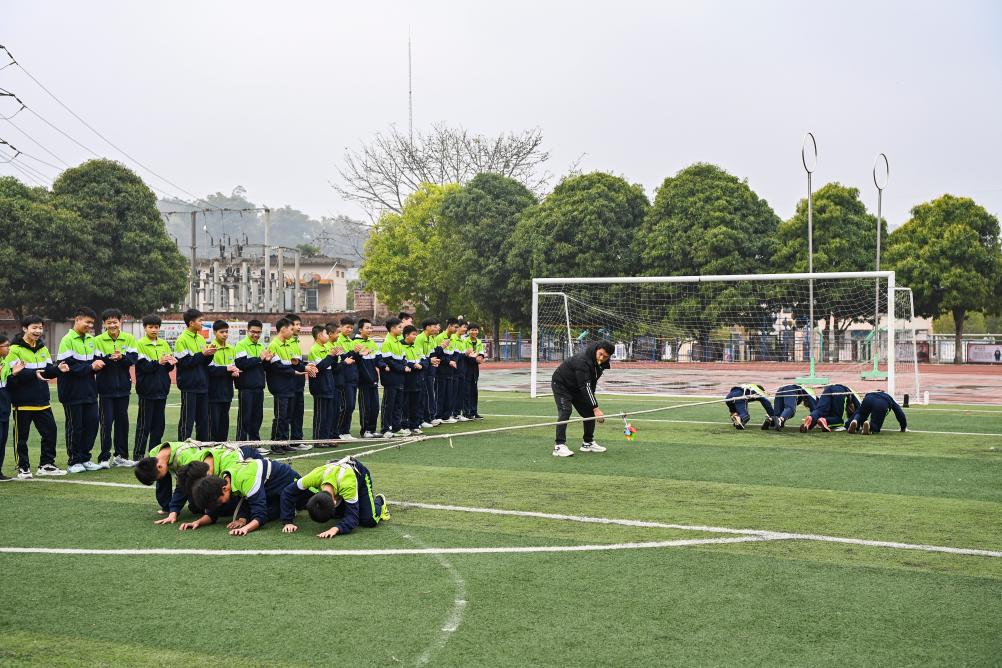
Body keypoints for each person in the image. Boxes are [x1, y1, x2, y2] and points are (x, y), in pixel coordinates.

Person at [134, 440, 261, 521]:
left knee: (218, 505)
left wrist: (243, 517)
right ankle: (169, 507)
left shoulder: (187, 459)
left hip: (247, 459)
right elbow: (182, 485)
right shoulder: (154, 455)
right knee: (199, 506)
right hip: (209, 468)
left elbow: (183, 487)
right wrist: (173, 511)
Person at [5, 315, 65, 478]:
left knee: (50, 432)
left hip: (42, 400)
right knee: (21, 437)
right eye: (34, 328)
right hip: (23, 402)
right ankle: (22, 467)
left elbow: (47, 370)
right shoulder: (14, 349)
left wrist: (59, 369)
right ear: (25, 329)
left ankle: (46, 464)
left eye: (40, 328)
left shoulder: (43, 348)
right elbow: (15, 373)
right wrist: (34, 374)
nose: (38, 331)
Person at [185, 458, 302, 535]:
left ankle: (293, 507)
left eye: (218, 502)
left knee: (264, 514)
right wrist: (198, 522)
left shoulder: (246, 480)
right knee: (242, 512)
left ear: (224, 489)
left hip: (288, 485)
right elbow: (213, 513)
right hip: (267, 487)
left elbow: (260, 515)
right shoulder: (223, 479)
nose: (217, 505)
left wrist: (244, 528)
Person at [279, 456, 388, 538]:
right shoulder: (314, 476)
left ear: (335, 502)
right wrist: (288, 521)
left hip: (358, 476)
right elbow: (288, 492)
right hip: (334, 472)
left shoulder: (348, 484)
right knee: (338, 515)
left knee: (369, 520)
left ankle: (380, 501)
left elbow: (352, 518)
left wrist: (336, 528)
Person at [57, 307, 103, 473]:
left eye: (92, 323)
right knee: (75, 427)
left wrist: (98, 365)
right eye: (87, 322)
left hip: (90, 391)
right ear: (77, 320)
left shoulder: (91, 340)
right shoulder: (67, 340)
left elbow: (96, 360)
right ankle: (73, 461)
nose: (90, 325)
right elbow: (68, 366)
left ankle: (85, 458)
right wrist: (91, 366)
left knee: (92, 424)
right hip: (72, 392)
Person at [550, 341, 613, 457]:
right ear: (596, 350)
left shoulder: (601, 363)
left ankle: (587, 443)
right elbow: (585, 386)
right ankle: (559, 446)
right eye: (600, 354)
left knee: (589, 411)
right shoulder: (583, 361)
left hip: (577, 386)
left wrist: (591, 405)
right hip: (561, 384)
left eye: (605, 357)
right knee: (565, 411)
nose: (602, 358)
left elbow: (591, 384)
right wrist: (596, 408)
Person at [93, 308, 138, 467]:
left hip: (123, 388)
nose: (113, 325)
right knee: (106, 423)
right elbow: (96, 360)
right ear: (104, 324)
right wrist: (110, 358)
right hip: (105, 388)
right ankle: (104, 458)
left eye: (115, 322)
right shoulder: (98, 340)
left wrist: (122, 357)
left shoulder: (129, 338)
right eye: (109, 322)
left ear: (121, 322)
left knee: (122, 422)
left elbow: (133, 359)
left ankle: (121, 456)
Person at [134, 315, 175, 459]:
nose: (154, 330)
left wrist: (171, 362)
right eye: (150, 327)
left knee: (159, 427)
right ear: (144, 328)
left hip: (162, 390)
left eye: (156, 327)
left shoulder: (164, 344)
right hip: (147, 390)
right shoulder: (139, 344)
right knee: (144, 426)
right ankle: (138, 456)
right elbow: (144, 367)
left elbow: (168, 368)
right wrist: (159, 361)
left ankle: (153, 454)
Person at [266, 317, 306, 453]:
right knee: (281, 416)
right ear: (283, 329)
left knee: (287, 416)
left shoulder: (289, 345)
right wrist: (295, 371)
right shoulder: (273, 345)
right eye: (291, 328)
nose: (293, 331)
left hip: (290, 386)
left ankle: (284, 441)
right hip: (279, 386)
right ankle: (276, 444)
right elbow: (277, 367)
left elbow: (291, 363)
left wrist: (301, 367)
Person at [174, 308, 214, 441]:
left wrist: (209, 354)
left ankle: (202, 448)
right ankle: (183, 449)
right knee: (187, 421)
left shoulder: (201, 339)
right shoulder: (181, 340)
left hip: (203, 384)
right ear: (191, 323)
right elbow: (184, 363)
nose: (203, 323)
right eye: (200, 320)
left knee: (203, 421)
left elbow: (203, 362)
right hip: (189, 385)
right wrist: (202, 354)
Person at [234, 319, 269, 441]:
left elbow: (262, 366)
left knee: (257, 417)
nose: (256, 335)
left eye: (258, 332)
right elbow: (241, 363)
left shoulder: (261, 346)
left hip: (259, 387)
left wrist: (267, 360)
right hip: (246, 388)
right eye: (253, 332)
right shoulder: (241, 345)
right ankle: (241, 444)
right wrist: (259, 358)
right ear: (247, 331)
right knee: (245, 417)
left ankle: (255, 443)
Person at [207, 320, 238, 441]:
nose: (225, 334)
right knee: (213, 423)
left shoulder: (231, 349)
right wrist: (227, 369)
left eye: (226, 332)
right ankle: (211, 447)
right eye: (222, 332)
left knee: (224, 422)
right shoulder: (211, 348)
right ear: (215, 332)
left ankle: (223, 445)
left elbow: (232, 366)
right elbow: (210, 370)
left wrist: (234, 371)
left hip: (227, 392)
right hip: (214, 392)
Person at [307, 324, 339, 444]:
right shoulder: (314, 349)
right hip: (320, 386)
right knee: (321, 415)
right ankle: (318, 439)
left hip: (329, 385)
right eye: (326, 334)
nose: (327, 336)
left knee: (328, 414)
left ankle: (327, 438)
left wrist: (335, 356)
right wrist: (330, 355)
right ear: (320, 335)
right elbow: (320, 367)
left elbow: (332, 366)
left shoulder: (326, 347)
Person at [379, 317, 406, 437]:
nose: (401, 330)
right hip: (390, 378)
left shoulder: (398, 341)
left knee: (398, 404)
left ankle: (396, 426)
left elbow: (403, 358)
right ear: (392, 328)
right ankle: (385, 428)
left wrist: (404, 366)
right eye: (400, 327)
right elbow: (388, 361)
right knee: (388, 404)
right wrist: (402, 368)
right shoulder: (387, 342)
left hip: (399, 377)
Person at [285, 313, 310, 442]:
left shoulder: (296, 341)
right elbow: (293, 363)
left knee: (298, 413)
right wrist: (304, 367)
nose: (299, 327)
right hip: (290, 384)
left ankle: (297, 439)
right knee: (288, 414)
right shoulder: (286, 343)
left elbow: (298, 362)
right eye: (296, 324)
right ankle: (285, 441)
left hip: (299, 383)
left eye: (300, 324)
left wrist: (305, 366)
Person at [354, 319, 380, 438]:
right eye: (367, 328)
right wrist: (368, 378)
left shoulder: (372, 343)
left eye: (371, 328)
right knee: (366, 407)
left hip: (373, 381)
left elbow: (377, 361)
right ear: (360, 329)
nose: (370, 330)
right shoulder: (356, 343)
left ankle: (372, 429)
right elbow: (359, 363)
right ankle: (365, 431)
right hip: (364, 382)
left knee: (375, 407)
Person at [334, 317, 359, 440]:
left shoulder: (351, 340)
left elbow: (354, 359)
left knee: (351, 406)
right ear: (341, 327)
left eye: (351, 327)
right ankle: (338, 431)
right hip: (343, 379)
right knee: (346, 406)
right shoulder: (338, 341)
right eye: (347, 327)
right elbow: (344, 358)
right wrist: (354, 352)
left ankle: (346, 431)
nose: (349, 329)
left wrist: (358, 353)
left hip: (352, 378)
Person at [414, 318, 441, 428]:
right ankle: (422, 419)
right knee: (422, 395)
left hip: (429, 370)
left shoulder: (431, 338)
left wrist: (435, 361)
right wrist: (430, 361)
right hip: (421, 370)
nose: (436, 328)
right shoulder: (419, 338)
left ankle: (428, 417)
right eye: (434, 326)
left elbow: (432, 354)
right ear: (428, 327)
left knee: (429, 393)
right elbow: (419, 355)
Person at [435, 318, 460, 423]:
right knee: (441, 393)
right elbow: (438, 353)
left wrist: (454, 361)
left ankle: (446, 415)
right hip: (441, 369)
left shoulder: (453, 338)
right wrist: (448, 361)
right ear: (449, 326)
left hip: (451, 369)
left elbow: (456, 352)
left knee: (449, 393)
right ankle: (438, 415)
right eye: (455, 327)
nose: (456, 329)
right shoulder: (440, 337)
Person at [401, 325, 425, 434]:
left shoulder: (417, 347)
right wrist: (414, 365)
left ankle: (415, 425)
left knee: (416, 404)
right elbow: (402, 362)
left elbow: (425, 361)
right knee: (405, 404)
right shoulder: (400, 346)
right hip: (407, 381)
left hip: (418, 381)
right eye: (413, 334)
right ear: (406, 335)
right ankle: (405, 425)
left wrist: (421, 365)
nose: (415, 337)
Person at [463, 323, 486, 420]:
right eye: (472, 330)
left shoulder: (479, 342)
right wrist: (475, 358)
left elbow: (481, 355)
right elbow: (466, 355)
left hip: (475, 369)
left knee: (474, 391)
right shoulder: (465, 341)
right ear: (468, 331)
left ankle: (474, 411)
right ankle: (466, 412)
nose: (474, 332)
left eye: (476, 330)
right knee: (466, 391)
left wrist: (479, 358)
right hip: (466, 368)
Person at [450, 321, 470, 421]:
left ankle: (458, 413)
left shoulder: (462, 340)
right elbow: (455, 355)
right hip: (455, 370)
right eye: (464, 327)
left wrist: (468, 354)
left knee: (460, 391)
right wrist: (465, 354)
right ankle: (453, 412)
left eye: (466, 327)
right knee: (455, 392)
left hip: (462, 369)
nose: (465, 329)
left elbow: (461, 355)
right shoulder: (453, 338)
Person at [0, 336, 11, 481]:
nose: (9, 348)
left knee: (2, 441)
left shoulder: (4, 363)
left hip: (3, 408)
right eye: (6, 345)